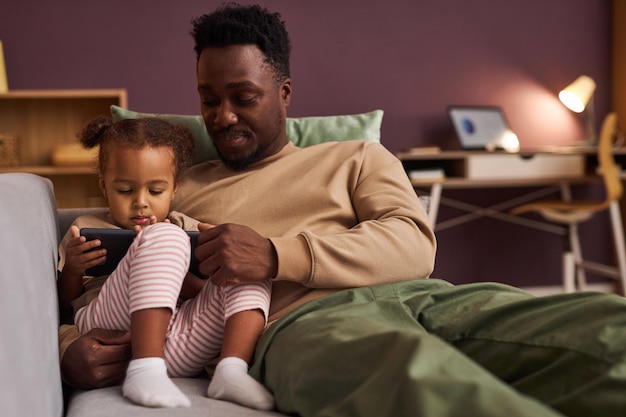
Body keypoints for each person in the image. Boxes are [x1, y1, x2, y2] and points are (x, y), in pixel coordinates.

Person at [59, 4, 626, 417]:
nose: (223, 117)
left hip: (426, 296)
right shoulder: (173, 191)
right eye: (209, 100)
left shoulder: (357, 156)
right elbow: (111, 279)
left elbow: (413, 245)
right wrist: (68, 350)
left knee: (604, 333)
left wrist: (276, 254)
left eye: (244, 97)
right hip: (299, 327)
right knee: (425, 385)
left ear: (283, 93)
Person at [57, 116, 274, 409]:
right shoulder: (86, 227)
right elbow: (66, 306)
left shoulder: (183, 225)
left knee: (247, 265)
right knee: (167, 235)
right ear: (104, 186)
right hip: (112, 331)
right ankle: (144, 369)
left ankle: (231, 370)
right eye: (125, 190)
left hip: (179, 341)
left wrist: (192, 277)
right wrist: (72, 268)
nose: (141, 202)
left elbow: (204, 290)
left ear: (174, 189)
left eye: (155, 191)